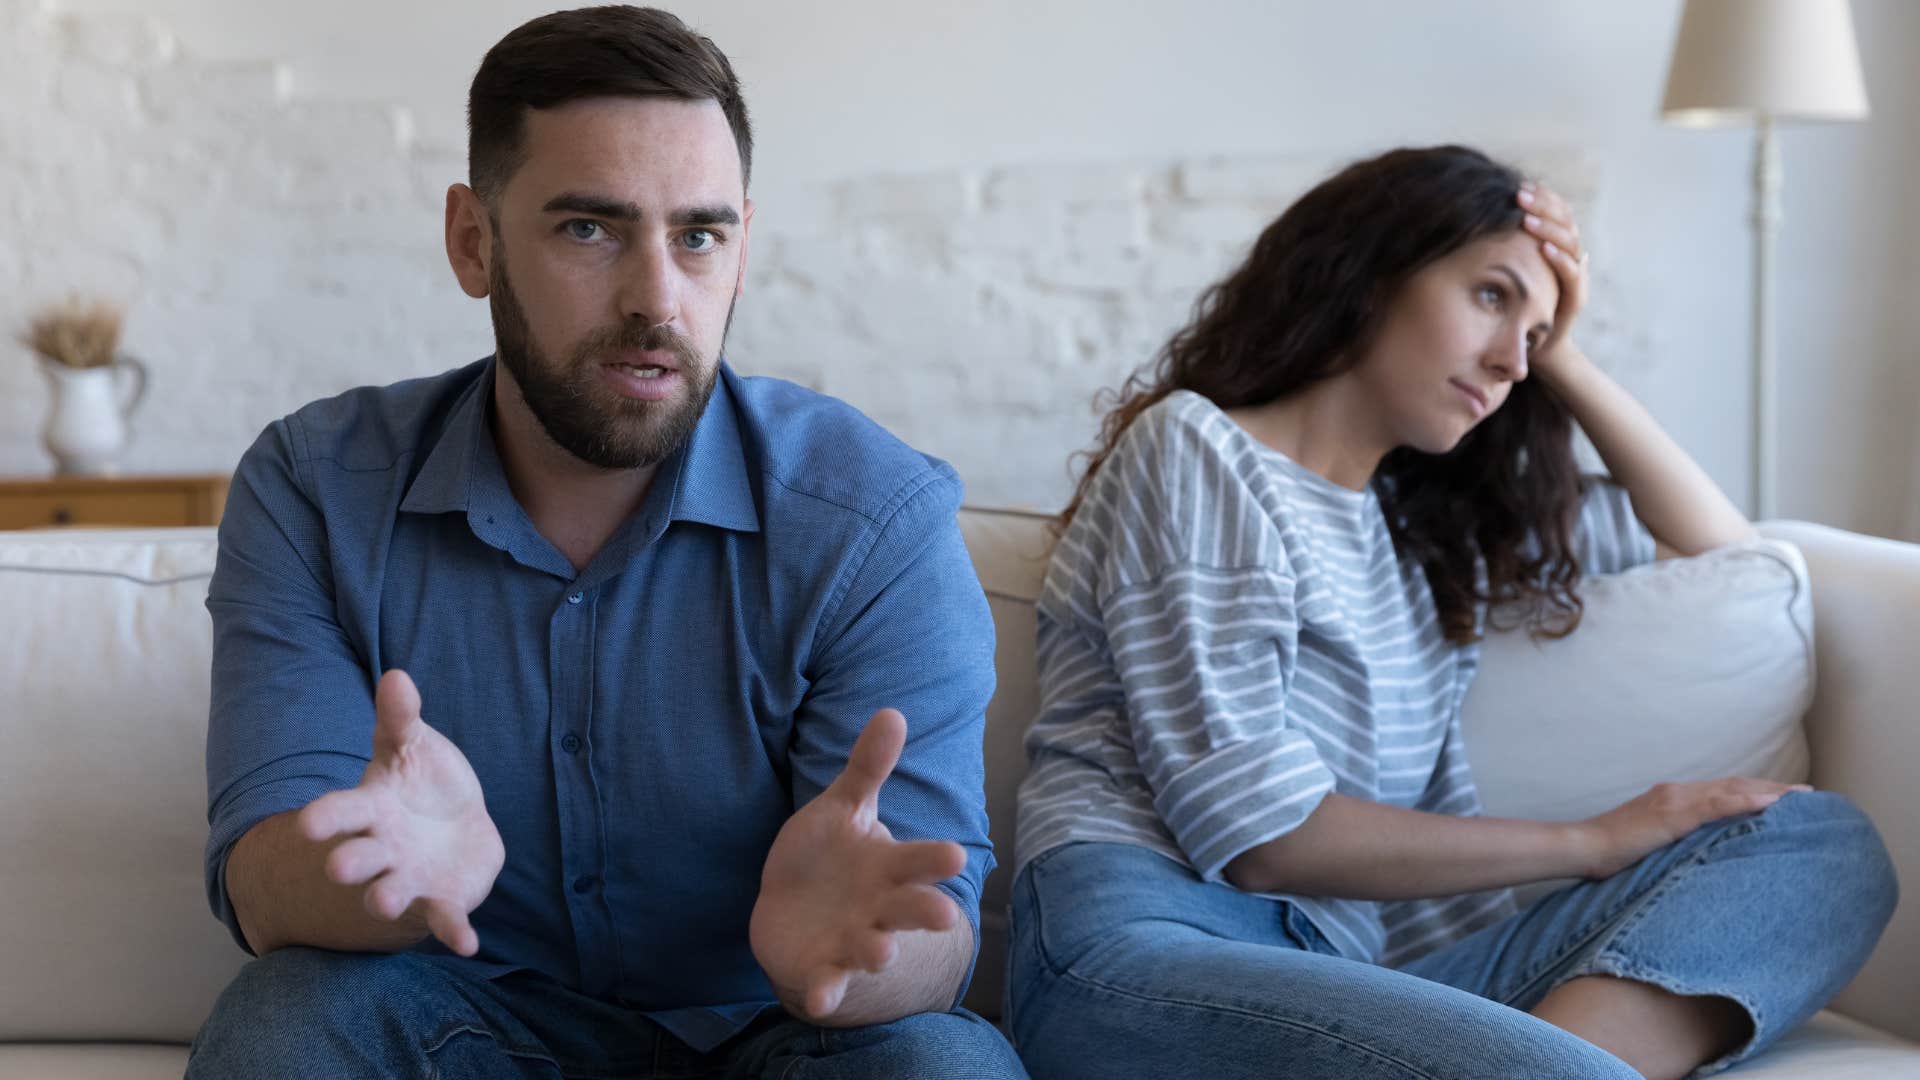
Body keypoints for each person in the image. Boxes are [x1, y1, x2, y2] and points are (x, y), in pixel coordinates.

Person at [186, 7, 1027, 1078]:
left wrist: (858, 960)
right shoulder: (318, 489)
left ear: (742, 244)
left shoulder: (872, 520)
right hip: (463, 1028)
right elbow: (263, 884)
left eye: (698, 235)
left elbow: (932, 941)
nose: (656, 300)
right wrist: (372, 876)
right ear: (473, 241)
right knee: (287, 1018)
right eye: (589, 228)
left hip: (775, 1044)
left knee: (940, 1065)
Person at [1006, 145, 1896, 1080]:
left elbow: (1724, 554)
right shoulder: (1197, 451)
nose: (1512, 358)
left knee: (1824, 850)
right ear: (1372, 271)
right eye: (1491, 296)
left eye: (1536, 334)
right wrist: (1594, 841)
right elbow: (1262, 837)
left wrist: (1568, 359)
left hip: (1361, 979)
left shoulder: (1428, 540)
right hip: (1149, 950)